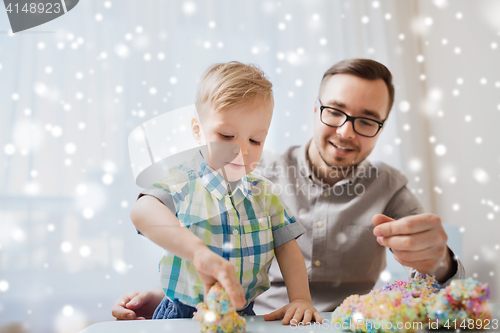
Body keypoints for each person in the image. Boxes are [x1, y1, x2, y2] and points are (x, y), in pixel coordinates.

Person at [112, 58, 465, 322]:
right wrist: (170, 297)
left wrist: (441, 261)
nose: (345, 131)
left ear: (382, 127)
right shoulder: (241, 173)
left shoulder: (390, 186)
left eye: (366, 120)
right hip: (257, 320)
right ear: (315, 109)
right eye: (335, 111)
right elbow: (154, 213)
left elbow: (445, 279)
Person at [127, 61, 322, 324]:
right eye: (227, 135)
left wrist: (300, 299)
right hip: (182, 315)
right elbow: (143, 211)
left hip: (243, 314)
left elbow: (287, 248)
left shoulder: (265, 194)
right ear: (197, 130)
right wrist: (198, 252)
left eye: (255, 140)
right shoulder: (183, 179)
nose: (241, 150)